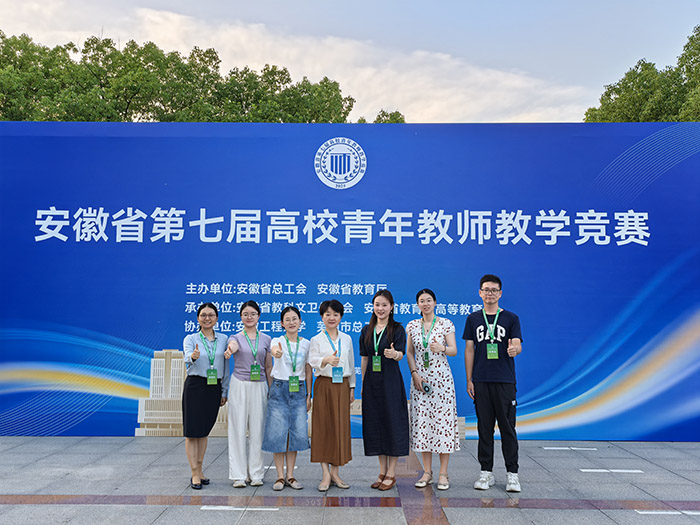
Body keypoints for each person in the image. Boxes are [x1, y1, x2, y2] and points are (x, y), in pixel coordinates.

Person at [463, 274, 523, 492]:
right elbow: (469, 350)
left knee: (508, 429)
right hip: (481, 381)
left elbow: (517, 344)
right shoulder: (473, 319)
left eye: (494, 290)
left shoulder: (511, 318)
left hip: (504, 381)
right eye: (486, 290)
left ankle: (512, 475)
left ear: (500, 293)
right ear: (480, 293)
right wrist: (469, 379)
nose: (490, 293)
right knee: (484, 428)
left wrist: (515, 349)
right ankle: (485, 472)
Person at [405, 288, 459, 491]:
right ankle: (427, 472)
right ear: (417, 304)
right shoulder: (412, 325)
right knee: (423, 424)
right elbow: (410, 352)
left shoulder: (445, 323)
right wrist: (414, 373)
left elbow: (454, 350)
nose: (425, 304)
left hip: (442, 381)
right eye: (422, 301)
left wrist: (442, 348)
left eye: (429, 300)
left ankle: (443, 473)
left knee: (443, 424)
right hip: (420, 381)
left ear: (435, 302)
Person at [359, 289, 409, 491]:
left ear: (391, 307)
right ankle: (381, 471)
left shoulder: (397, 329)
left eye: (384, 305)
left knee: (392, 424)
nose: (380, 309)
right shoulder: (366, 330)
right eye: (377, 305)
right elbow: (365, 358)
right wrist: (363, 383)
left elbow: (401, 354)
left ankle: (391, 473)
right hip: (372, 383)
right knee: (376, 424)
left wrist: (394, 354)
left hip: (391, 383)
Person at [262, 306, 313, 491]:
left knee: (295, 434)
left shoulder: (306, 343)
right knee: (277, 433)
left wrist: (309, 395)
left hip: (299, 389)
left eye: (294, 319)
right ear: (282, 323)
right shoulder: (278, 340)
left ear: (300, 321)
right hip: (279, 388)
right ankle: (279, 476)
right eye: (287, 320)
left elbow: (308, 369)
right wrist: (276, 352)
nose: (291, 322)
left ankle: (291, 476)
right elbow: (274, 349)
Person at [308, 299, 355, 492]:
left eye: (335, 314)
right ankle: (325, 474)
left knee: (339, 428)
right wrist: (325, 360)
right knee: (323, 428)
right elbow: (312, 361)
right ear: (322, 317)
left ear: (341, 317)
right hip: (324, 385)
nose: (331, 318)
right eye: (327, 314)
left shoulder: (347, 339)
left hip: (342, 385)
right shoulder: (316, 339)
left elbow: (351, 363)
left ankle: (336, 472)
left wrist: (352, 387)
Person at [182, 302, 230, 489]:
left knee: (204, 431)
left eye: (211, 315)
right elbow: (187, 357)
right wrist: (193, 356)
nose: (207, 318)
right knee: (192, 432)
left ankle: (201, 470)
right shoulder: (191, 338)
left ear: (216, 318)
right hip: (195, 385)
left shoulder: (223, 339)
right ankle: (194, 473)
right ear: (198, 318)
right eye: (203, 315)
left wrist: (224, 390)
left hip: (213, 386)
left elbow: (225, 367)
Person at [225, 300, 272, 488]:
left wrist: (271, 389)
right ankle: (238, 475)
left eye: (253, 314)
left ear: (259, 316)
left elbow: (268, 366)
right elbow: (233, 346)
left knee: (257, 430)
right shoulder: (235, 337)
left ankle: (256, 474)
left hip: (259, 385)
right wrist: (230, 350)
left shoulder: (266, 339)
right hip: (239, 384)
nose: (249, 317)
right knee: (237, 428)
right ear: (241, 317)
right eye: (245, 314)